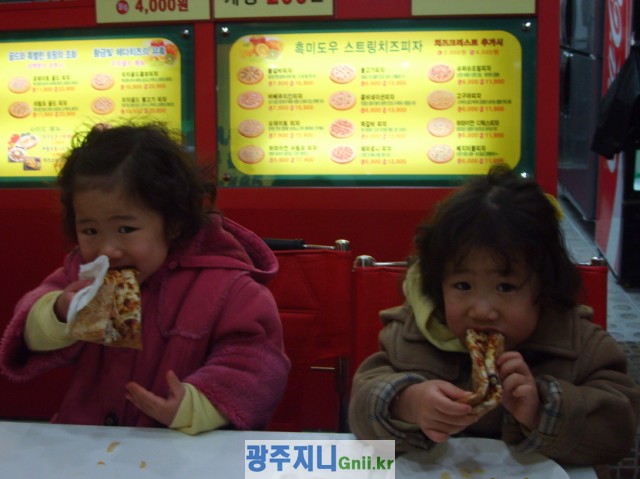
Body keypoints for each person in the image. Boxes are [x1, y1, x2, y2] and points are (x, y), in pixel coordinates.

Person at [348, 164, 640, 475]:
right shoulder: (412, 334)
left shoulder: (579, 344)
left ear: (545, 288)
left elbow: (618, 433)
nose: (482, 310)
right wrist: (405, 403)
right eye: (463, 286)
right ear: (437, 286)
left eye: (506, 287)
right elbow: (359, 410)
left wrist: (543, 409)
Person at [0, 122, 290, 434]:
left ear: (174, 223)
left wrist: (196, 406)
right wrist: (59, 312)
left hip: (179, 445)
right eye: (90, 230)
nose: (107, 249)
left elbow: (256, 363)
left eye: (126, 229)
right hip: (88, 440)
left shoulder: (228, 287)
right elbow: (28, 321)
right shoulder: (83, 275)